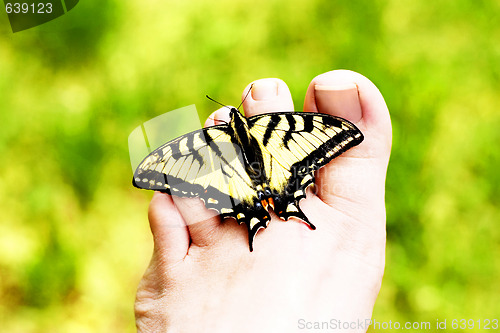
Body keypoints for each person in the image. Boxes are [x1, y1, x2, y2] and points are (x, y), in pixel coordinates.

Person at [134, 70, 392, 332]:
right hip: (279, 176)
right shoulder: (267, 124)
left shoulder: (213, 141)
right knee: (289, 133)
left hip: (240, 188)